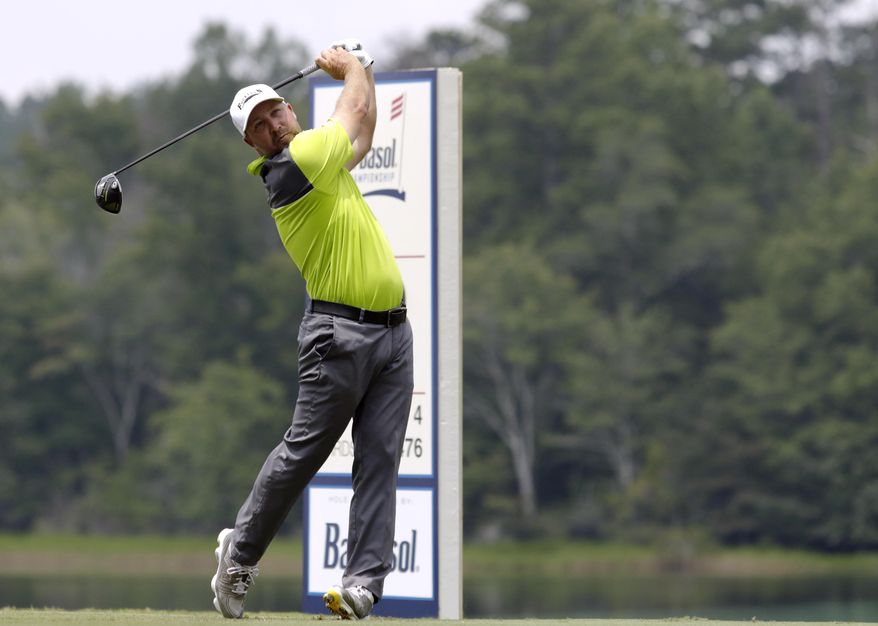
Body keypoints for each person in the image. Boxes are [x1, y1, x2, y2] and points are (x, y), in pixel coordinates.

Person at [211, 39, 414, 620]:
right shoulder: (292, 167)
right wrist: (351, 69)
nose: (272, 123)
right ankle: (239, 554)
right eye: (258, 123)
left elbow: (364, 133)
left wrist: (364, 71)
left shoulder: (322, 161)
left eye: (276, 110)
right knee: (305, 452)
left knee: (379, 457)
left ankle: (361, 584)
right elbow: (350, 114)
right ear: (250, 143)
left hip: (393, 335)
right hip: (338, 336)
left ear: (291, 109)